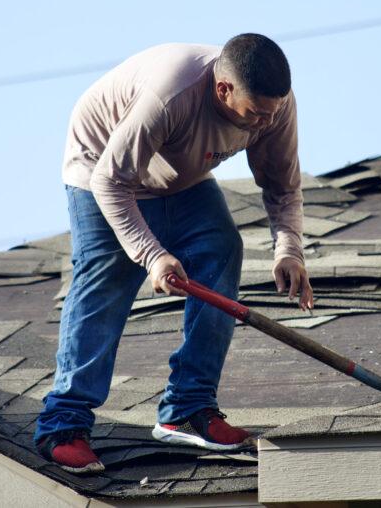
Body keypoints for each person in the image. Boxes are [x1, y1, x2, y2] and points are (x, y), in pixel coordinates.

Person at [34, 34, 314, 474]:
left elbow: (282, 185)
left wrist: (290, 251)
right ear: (223, 90)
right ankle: (63, 425)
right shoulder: (171, 95)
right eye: (256, 113)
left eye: (272, 113)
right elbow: (111, 181)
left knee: (221, 248)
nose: (263, 123)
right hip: (101, 170)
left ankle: (187, 409)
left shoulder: (273, 106)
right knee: (106, 279)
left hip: (180, 177)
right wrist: (151, 254)